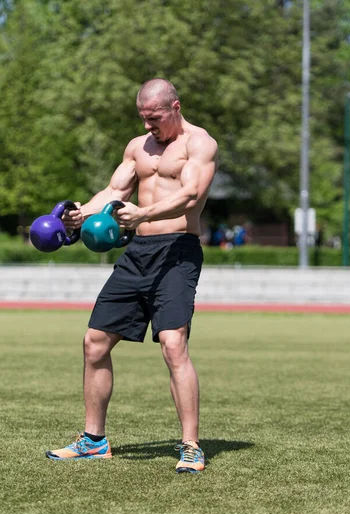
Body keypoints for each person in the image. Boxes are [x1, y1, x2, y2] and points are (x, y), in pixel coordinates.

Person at [46, 78, 218, 473]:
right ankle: (93, 440)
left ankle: (191, 445)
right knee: (94, 343)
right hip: (137, 253)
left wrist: (142, 214)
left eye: (154, 118)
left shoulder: (200, 144)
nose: (147, 127)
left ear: (175, 107)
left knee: (174, 345)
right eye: (143, 119)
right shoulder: (137, 147)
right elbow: (113, 190)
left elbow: (191, 195)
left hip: (177, 251)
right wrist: (81, 213)